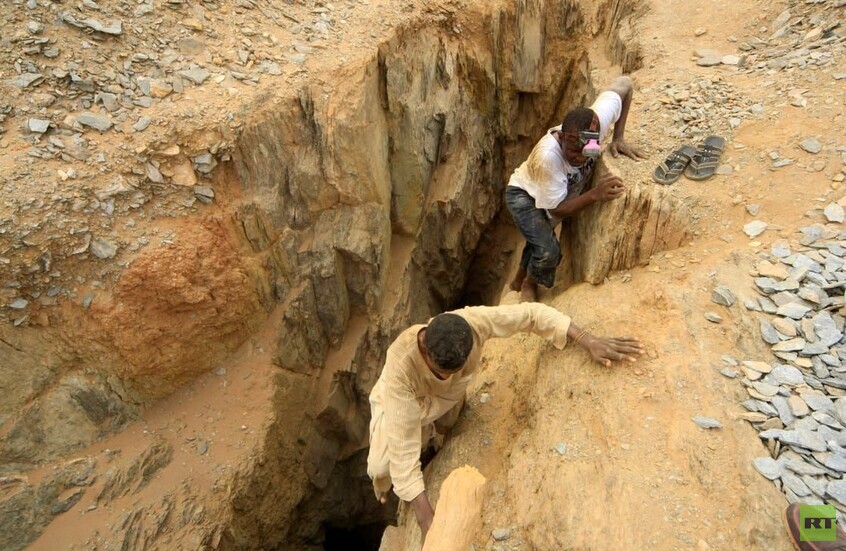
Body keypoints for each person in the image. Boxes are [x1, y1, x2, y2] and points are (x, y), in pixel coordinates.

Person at [366, 302, 643, 537]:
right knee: (381, 466)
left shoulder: (472, 323)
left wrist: (587, 339)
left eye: (455, 370)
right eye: (442, 372)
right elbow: (403, 451)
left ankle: (435, 438)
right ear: (425, 347)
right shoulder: (401, 368)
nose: (448, 376)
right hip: (405, 406)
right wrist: (427, 519)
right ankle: (384, 489)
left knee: (448, 425)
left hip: (447, 400)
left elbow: (530, 314)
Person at [506, 75, 645, 302]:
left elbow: (625, 85)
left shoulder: (595, 126)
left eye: (587, 150)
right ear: (562, 137)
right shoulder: (548, 159)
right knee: (548, 250)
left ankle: (517, 281)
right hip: (524, 195)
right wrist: (595, 194)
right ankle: (528, 284)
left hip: (551, 191)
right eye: (573, 150)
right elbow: (557, 210)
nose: (580, 157)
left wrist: (618, 137)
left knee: (540, 236)